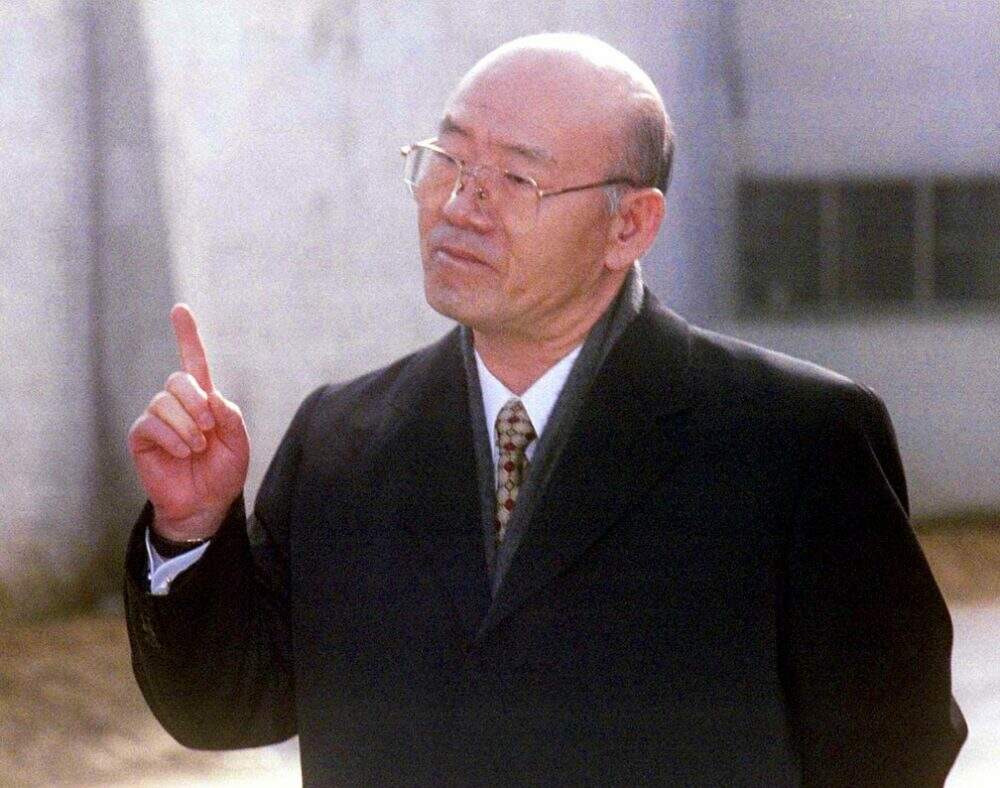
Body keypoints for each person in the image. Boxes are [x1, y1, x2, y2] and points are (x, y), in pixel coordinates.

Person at [124, 33, 966, 786]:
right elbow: (228, 706)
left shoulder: (796, 442)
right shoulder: (343, 439)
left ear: (629, 226)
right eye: (447, 159)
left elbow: (895, 748)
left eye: (517, 178)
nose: (460, 204)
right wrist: (191, 529)